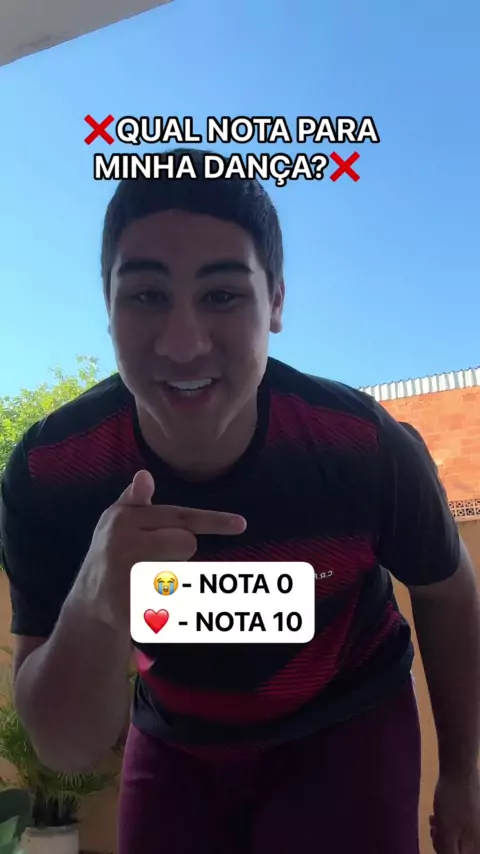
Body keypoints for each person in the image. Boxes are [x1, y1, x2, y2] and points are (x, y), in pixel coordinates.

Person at [1, 148, 480, 854]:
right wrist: (95, 601)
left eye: (222, 295)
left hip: (348, 721)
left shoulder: (361, 446)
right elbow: (65, 747)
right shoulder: (51, 471)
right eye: (146, 295)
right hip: (176, 742)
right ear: (107, 306)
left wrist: (464, 775)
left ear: (276, 302)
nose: (183, 344)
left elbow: (448, 590)